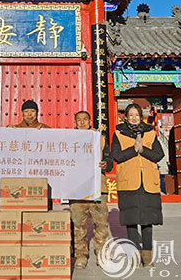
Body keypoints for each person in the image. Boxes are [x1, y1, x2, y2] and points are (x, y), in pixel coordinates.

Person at [111, 103, 164, 267]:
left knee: (148, 221)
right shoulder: (118, 133)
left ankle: (147, 256)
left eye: (137, 115)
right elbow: (116, 156)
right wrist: (134, 150)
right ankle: (133, 255)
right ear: (125, 117)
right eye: (131, 115)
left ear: (141, 117)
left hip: (148, 182)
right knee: (131, 220)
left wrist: (143, 150)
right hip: (129, 182)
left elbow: (158, 154)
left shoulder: (150, 132)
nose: (134, 118)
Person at [70, 111, 113, 269]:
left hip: (97, 188)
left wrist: (106, 164)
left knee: (101, 224)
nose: (81, 122)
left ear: (90, 121)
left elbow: (109, 159)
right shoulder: (68, 140)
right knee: (78, 224)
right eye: (78, 120)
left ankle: (102, 254)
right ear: (75, 123)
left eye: (85, 119)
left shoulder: (99, 138)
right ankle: (81, 255)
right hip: (77, 188)